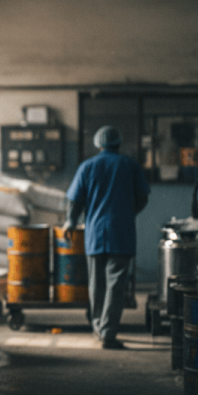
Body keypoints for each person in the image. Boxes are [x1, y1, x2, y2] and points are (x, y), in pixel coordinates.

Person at [62, 125, 149, 349]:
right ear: (118, 143)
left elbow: (74, 200)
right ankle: (108, 334)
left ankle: (98, 328)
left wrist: (70, 222)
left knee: (96, 284)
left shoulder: (87, 166)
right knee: (115, 286)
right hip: (121, 233)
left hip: (95, 234)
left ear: (98, 143)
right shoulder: (130, 165)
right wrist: (128, 213)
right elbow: (142, 198)